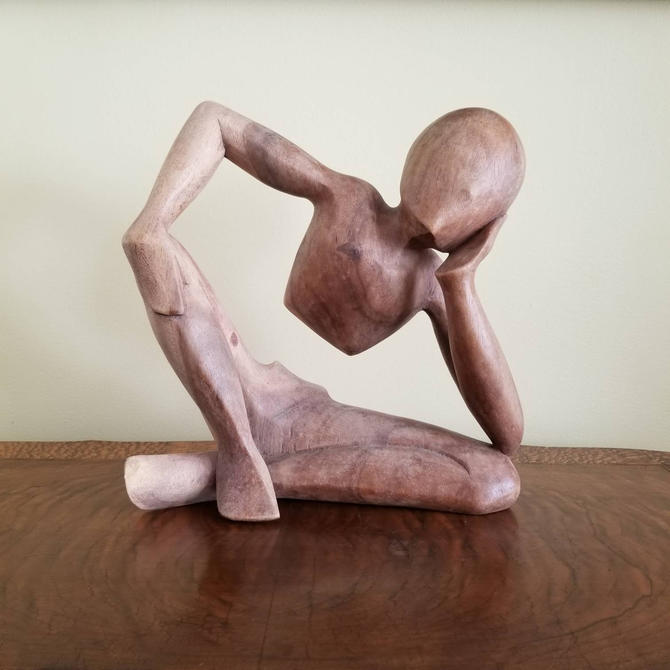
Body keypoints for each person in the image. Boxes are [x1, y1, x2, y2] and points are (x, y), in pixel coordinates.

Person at [122, 102, 525, 521]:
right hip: (242, 384)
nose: (450, 204)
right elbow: (217, 122)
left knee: (495, 477)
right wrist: (156, 217)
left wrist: (460, 282)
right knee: (154, 253)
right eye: (452, 175)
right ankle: (238, 451)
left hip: (313, 418)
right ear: (419, 157)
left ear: (486, 222)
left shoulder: (431, 283)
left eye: (472, 196)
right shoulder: (350, 198)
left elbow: (507, 437)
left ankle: (237, 472)